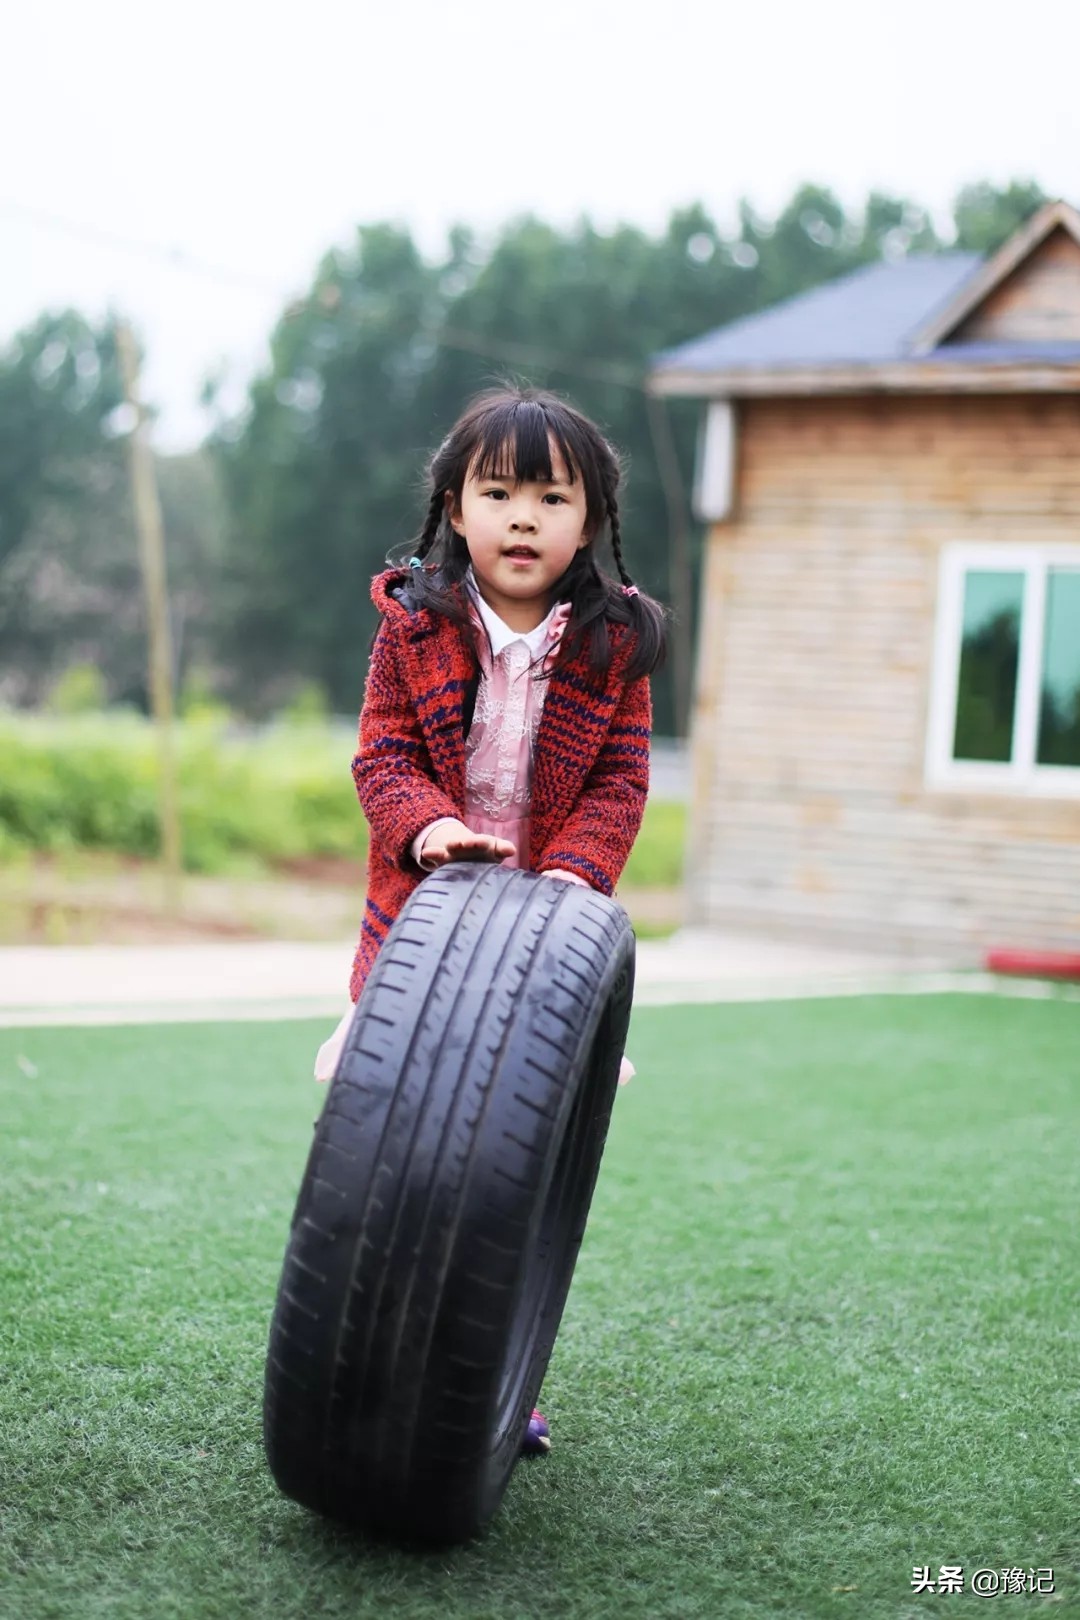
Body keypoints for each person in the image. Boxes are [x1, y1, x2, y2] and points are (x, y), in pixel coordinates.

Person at [313, 384, 667, 1449]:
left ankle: (494, 1381)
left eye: (551, 497)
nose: (523, 517)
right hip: (423, 924)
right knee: (393, 1147)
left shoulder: (615, 648)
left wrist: (572, 879)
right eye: (499, 491)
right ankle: (357, 1344)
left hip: (546, 937)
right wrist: (429, 830)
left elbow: (620, 781)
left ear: (590, 519)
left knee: (508, 1173)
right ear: (455, 509)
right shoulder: (411, 627)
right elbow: (381, 755)